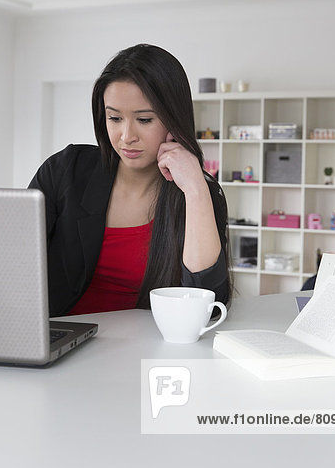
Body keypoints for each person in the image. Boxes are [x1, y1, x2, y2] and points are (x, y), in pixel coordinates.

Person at [29, 44, 232, 316]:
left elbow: (209, 306)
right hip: (62, 340)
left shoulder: (199, 193)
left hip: (145, 350)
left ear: (173, 119)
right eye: (114, 118)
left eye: (144, 119)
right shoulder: (66, 170)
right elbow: (13, 264)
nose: (127, 136)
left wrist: (195, 188)